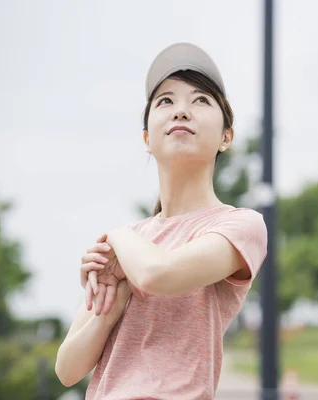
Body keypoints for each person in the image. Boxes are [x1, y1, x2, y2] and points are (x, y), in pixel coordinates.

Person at [55, 42, 268, 400]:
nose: (181, 111)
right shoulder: (127, 247)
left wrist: (118, 239)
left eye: (201, 100)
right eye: (166, 101)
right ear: (147, 139)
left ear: (226, 137)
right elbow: (67, 368)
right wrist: (112, 307)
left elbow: (158, 274)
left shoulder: (241, 225)